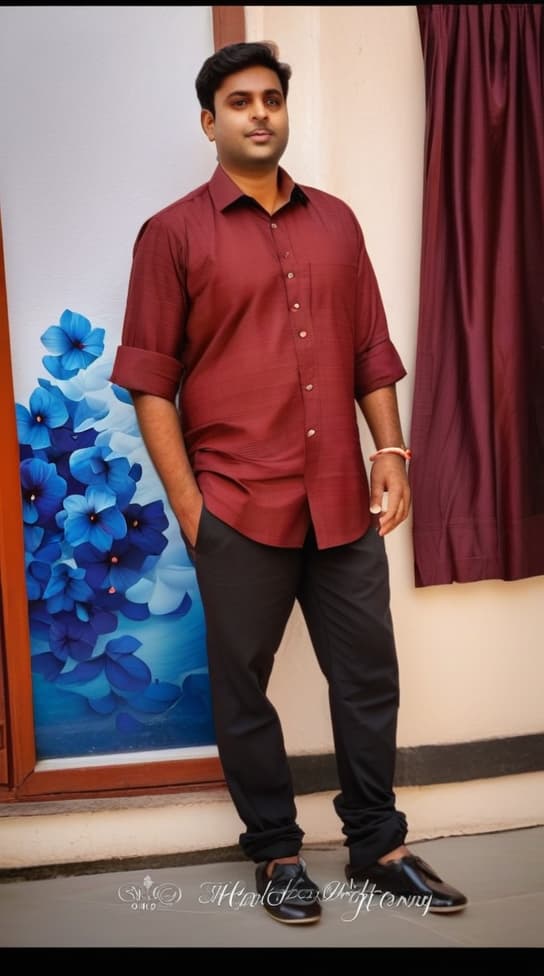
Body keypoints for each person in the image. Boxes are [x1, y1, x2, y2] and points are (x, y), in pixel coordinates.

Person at [110, 40, 467, 925]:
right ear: (211, 121)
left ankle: (377, 844)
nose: (260, 112)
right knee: (242, 687)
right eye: (240, 101)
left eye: (271, 97)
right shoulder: (172, 234)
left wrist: (392, 454)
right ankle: (275, 854)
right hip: (236, 503)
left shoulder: (337, 223)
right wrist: (194, 512)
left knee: (368, 675)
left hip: (341, 497)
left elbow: (369, 350)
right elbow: (151, 382)